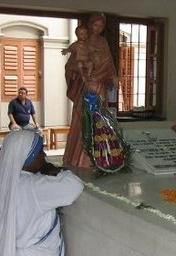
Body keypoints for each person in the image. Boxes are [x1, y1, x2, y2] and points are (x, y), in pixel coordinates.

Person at [63, 13, 118, 169]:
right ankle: (77, 158)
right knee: (82, 119)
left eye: (101, 26)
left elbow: (109, 63)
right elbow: (71, 64)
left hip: (99, 86)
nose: (98, 28)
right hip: (86, 86)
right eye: (95, 25)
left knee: (98, 120)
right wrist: (77, 69)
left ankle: (99, 157)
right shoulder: (82, 41)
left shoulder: (103, 42)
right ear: (90, 25)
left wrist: (113, 76)